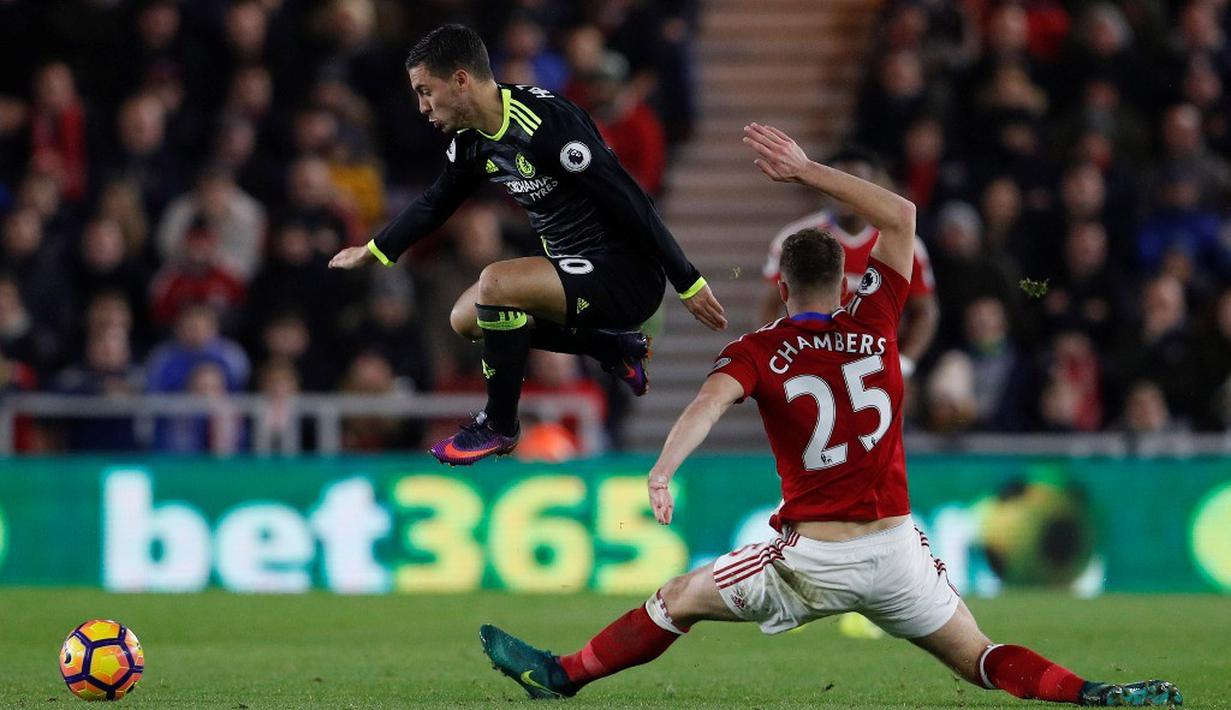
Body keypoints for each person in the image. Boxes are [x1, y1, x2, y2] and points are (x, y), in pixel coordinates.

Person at [478, 124, 1182, 708]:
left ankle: (562, 676)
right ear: (846, 280)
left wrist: (664, 468)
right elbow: (901, 215)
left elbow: (705, 404)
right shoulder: (877, 320)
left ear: (780, 284)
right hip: (897, 550)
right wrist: (808, 170)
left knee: (677, 598)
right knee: (978, 655)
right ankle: (1090, 692)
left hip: (812, 558)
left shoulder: (759, 349)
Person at [329, 24, 725, 466]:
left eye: (426, 91)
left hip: (625, 271)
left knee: (495, 283)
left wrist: (686, 280)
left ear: (461, 80)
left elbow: (631, 199)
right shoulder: (472, 141)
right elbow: (435, 202)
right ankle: (610, 346)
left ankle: (499, 424)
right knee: (464, 318)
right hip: (574, 271)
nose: (422, 107)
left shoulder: (547, 125)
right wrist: (375, 250)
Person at [757, 146, 937, 380]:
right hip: (815, 364)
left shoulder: (905, 245)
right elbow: (769, 305)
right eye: (838, 183)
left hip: (878, 365)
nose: (845, 193)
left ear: (871, 186)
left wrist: (906, 362)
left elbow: (926, 311)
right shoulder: (794, 239)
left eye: (855, 183)